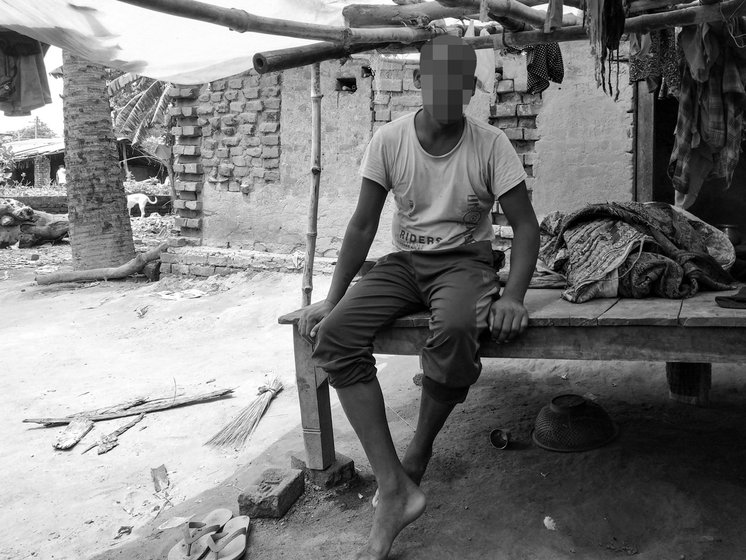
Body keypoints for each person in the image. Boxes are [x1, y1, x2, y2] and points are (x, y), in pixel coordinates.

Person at [298, 34, 540, 560]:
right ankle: (394, 486)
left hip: (465, 262)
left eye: (461, 82)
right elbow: (363, 226)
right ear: (418, 81)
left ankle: (419, 452)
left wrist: (514, 296)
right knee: (335, 337)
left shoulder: (490, 144)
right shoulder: (390, 141)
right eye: (439, 80)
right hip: (404, 264)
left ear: (471, 89)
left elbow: (525, 227)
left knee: (454, 330)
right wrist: (334, 298)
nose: (450, 91)